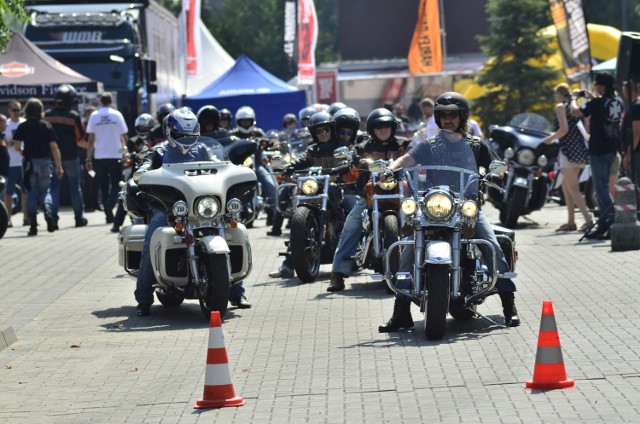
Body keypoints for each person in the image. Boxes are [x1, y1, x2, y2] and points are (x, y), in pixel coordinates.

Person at [378, 91, 520, 332]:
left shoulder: (475, 146)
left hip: (467, 208)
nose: (448, 120)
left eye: (453, 115)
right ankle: (401, 313)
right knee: (408, 251)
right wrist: (390, 170)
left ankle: (509, 307)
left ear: (462, 117)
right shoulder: (430, 145)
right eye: (443, 116)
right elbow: (406, 159)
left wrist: (496, 172)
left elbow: (497, 163)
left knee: (492, 246)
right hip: (433, 207)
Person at [133, 108, 251, 316]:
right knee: (151, 240)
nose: (187, 139)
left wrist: (234, 168)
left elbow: (221, 165)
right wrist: (142, 173)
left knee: (233, 233)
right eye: (181, 135)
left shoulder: (204, 149)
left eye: (190, 134)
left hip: (203, 205)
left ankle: (236, 291)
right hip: (170, 207)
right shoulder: (159, 151)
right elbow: (144, 169)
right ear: (170, 131)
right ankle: (143, 299)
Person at [327, 108, 411, 292]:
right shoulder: (361, 148)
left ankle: (427, 268)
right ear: (372, 129)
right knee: (352, 223)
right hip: (371, 196)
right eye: (378, 126)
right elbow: (352, 166)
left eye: (387, 126)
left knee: (422, 221)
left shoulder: (404, 145)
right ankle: (338, 273)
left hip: (401, 195)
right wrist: (347, 165)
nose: (383, 129)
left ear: (392, 127)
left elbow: (417, 159)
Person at [268, 111, 348, 278]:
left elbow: (347, 159)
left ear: (331, 130)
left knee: (349, 212)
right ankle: (288, 266)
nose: (323, 133)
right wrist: (288, 166)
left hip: (337, 190)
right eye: (319, 131)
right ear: (314, 134)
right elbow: (301, 159)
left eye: (326, 129)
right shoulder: (312, 150)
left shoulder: (340, 147)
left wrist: (344, 165)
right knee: (300, 223)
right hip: (316, 190)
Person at [571, 72, 624, 240]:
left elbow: (576, 112)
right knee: (609, 188)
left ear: (601, 86)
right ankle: (606, 222)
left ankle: (609, 222)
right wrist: (591, 97)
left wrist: (574, 98)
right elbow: (602, 106)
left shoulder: (596, 103)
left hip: (598, 150)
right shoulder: (618, 101)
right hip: (613, 149)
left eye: (597, 85)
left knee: (601, 189)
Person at [542, 83, 592, 232]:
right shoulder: (574, 105)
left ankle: (589, 220)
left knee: (573, 188)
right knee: (566, 187)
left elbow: (564, 129)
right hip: (579, 150)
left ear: (559, 94)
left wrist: (550, 139)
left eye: (555, 94)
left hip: (568, 151)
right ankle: (571, 222)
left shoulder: (560, 107)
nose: (554, 97)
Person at [12, 98, 64, 236]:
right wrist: (59, 166)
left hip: (29, 163)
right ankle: (47, 212)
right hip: (46, 161)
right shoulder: (46, 125)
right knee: (45, 191)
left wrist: (24, 152)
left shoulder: (23, 126)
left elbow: (17, 146)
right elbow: (54, 146)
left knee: (31, 193)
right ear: (40, 110)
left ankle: (33, 225)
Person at [45, 84, 88, 229]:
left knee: (54, 189)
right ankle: (79, 218)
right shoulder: (73, 116)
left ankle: (54, 219)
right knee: (75, 189)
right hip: (71, 157)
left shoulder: (48, 115)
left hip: (52, 157)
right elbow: (80, 138)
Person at [85, 92, 129, 225]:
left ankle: (108, 214)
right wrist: (123, 152)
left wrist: (88, 158)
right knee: (117, 184)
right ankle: (110, 204)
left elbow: (91, 140)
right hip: (115, 156)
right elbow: (125, 138)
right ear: (111, 102)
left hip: (100, 156)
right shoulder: (117, 115)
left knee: (103, 186)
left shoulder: (94, 115)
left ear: (100, 102)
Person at [110, 113, 156, 233]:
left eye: (146, 128)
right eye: (141, 128)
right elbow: (126, 153)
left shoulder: (154, 139)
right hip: (137, 170)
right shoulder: (133, 140)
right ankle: (116, 224)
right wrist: (127, 155)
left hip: (153, 170)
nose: (143, 130)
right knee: (126, 192)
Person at [231, 106, 277, 226]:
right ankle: (244, 213)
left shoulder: (259, 133)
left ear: (253, 121)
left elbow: (267, 144)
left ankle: (273, 214)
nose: (246, 124)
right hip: (239, 168)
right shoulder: (233, 134)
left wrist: (271, 144)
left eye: (248, 121)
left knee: (270, 184)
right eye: (243, 121)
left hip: (257, 166)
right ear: (238, 122)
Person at [3, 101, 28, 227]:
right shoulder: (5, 124)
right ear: (9, 111)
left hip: (23, 161)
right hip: (11, 162)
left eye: (19, 110)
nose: (17, 113)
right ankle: (7, 219)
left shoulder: (24, 122)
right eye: (14, 110)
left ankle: (26, 217)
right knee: (9, 193)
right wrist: (9, 143)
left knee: (25, 192)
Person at [80, 105, 99, 213]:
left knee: (96, 181)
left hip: (97, 157)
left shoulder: (96, 125)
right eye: (90, 115)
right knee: (88, 182)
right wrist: (92, 146)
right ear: (86, 116)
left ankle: (96, 203)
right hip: (86, 158)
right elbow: (79, 142)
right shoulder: (83, 127)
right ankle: (88, 205)